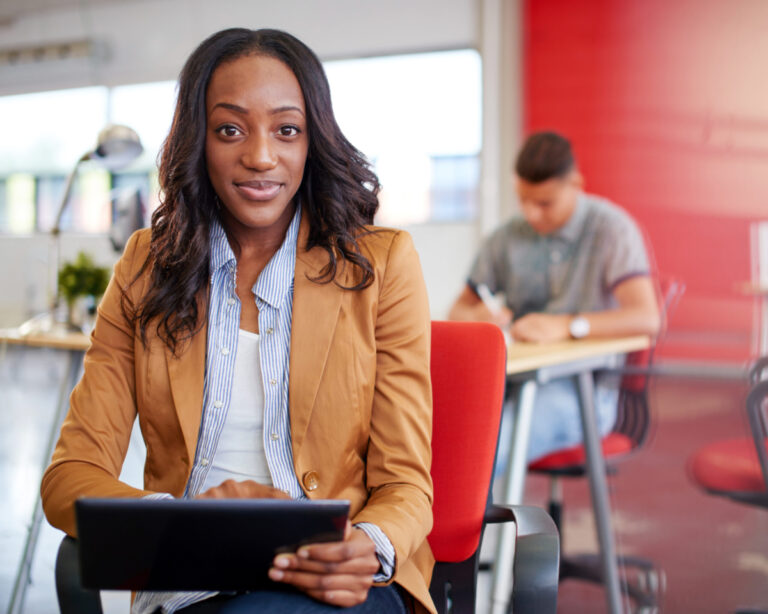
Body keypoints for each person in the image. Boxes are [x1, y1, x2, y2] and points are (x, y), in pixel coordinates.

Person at [41, 28, 434, 614]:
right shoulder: (146, 268)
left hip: (341, 582)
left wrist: (364, 546)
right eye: (230, 129)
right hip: (191, 579)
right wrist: (183, 520)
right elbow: (70, 474)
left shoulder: (380, 265)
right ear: (198, 141)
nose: (260, 156)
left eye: (286, 129)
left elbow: (407, 485)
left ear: (312, 141)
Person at [449, 131, 660, 465]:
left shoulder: (612, 229)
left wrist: (567, 326)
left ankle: (485, 519)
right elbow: (458, 309)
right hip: (508, 383)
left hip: (583, 392)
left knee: (479, 454)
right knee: (436, 435)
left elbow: (647, 317)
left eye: (545, 203)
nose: (532, 214)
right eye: (524, 200)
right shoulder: (505, 237)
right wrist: (476, 316)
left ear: (575, 183)